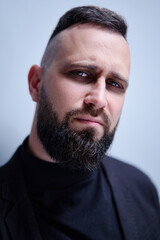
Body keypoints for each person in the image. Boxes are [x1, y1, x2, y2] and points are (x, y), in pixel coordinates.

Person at [0, 5, 160, 240]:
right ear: (36, 84)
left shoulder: (141, 189)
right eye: (81, 74)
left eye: (115, 84)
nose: (99, 99)